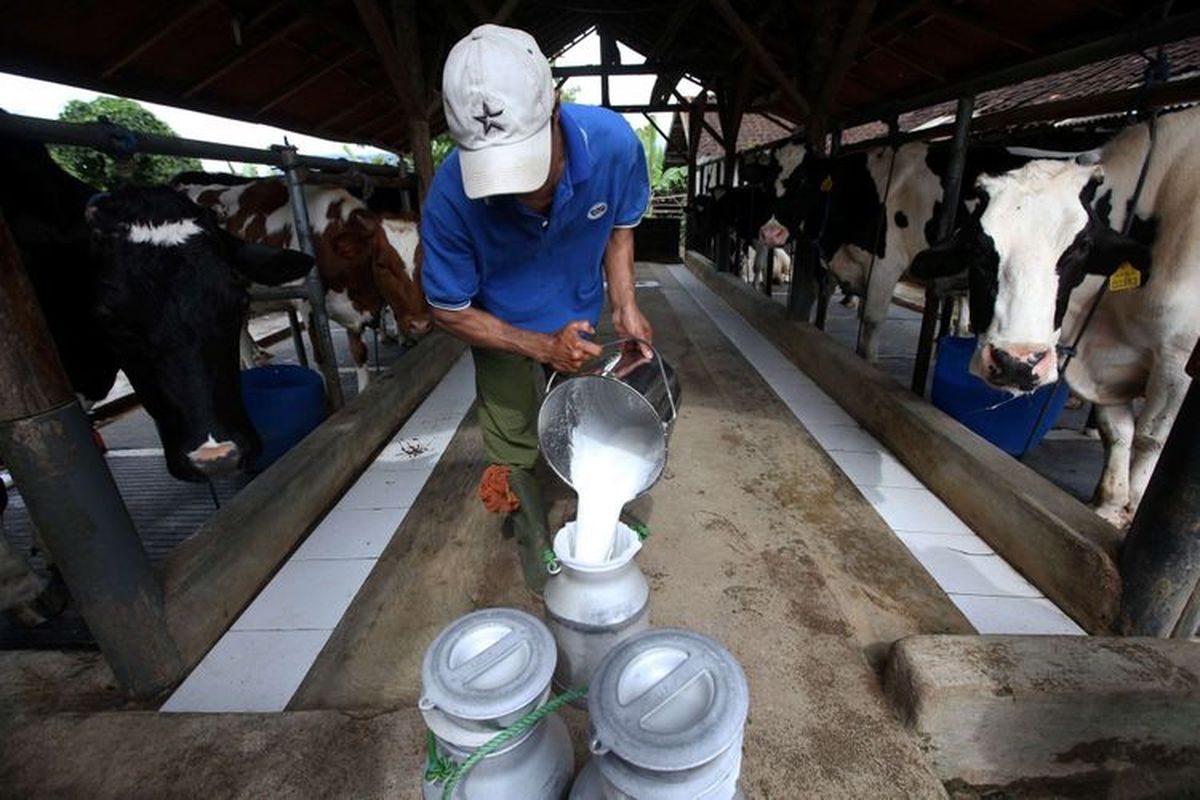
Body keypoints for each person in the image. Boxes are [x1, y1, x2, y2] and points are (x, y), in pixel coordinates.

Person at [420, 24, 654, 596]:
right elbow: (448, 309)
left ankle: (595, 518)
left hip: (578, 308)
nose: (521, 193)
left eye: (527, 164)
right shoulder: (451, 197)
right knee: (511, 438)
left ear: (554, 106)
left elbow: (620, 228)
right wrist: (538, 346)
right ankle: (531, 538)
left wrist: (624, 304)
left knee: (590, 417)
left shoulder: (614, 145)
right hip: (498, 324)